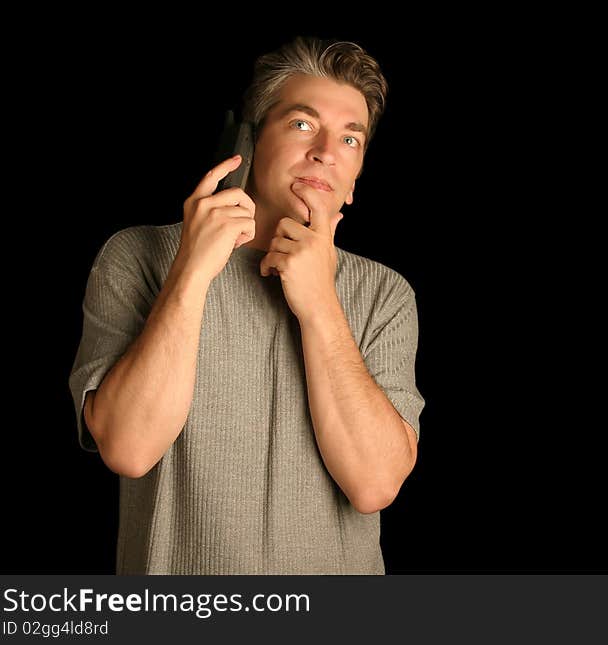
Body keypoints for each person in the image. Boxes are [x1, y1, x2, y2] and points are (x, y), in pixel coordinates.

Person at [68, 36, 424, 574]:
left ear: (355, 178)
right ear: (249, 142)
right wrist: (191, 271)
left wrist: (322, 304)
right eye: (303, 124)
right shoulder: (138, 256)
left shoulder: (385, 294)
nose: (327, 151)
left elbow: (374, 484)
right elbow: (128, 449)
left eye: (351, 139)